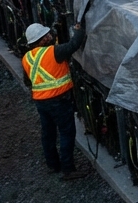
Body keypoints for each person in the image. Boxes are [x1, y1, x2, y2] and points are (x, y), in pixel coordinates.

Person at [21, 23, 89, 180]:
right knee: (67, 133)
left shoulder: (26, 58)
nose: (50, 36)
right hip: (59, 100)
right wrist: (79, 30)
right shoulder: (54, 52)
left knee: (48, 133)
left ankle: (53, 165)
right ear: (42, 39)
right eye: (47, 35)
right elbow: (74, 44)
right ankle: (68, 170)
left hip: (41, 102)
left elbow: (28, 82)